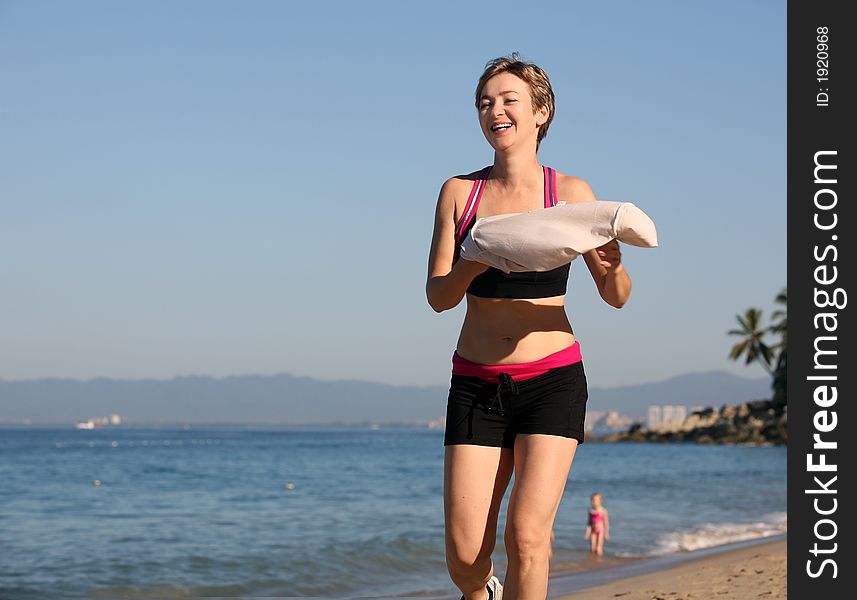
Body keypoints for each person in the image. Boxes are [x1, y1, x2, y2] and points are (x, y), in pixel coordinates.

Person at [425, 54, 633, 600]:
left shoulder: (569, 194)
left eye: (508, 99)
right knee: (465, 559)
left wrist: (612, 264)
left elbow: (616, 297)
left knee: (528, 537)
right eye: (485, 102)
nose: (495, 110)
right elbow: (438, 297)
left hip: (552, 380)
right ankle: (481, 591)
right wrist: (478, 254)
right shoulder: (458, 193)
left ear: (540, 112)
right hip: (476, 381)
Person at [584, 492, 610, 557]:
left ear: (600, 501)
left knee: (599, 548)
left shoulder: (603, 511)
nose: (593, 502)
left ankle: (600, 561)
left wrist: (606, 533)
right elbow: (589, 522)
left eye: (595, 500)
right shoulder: (590, 510)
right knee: (593, 548)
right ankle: (593, 560)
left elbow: (606, 523)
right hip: (593, 531)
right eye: (592, 500)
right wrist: (587, 532)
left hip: (601, 531)